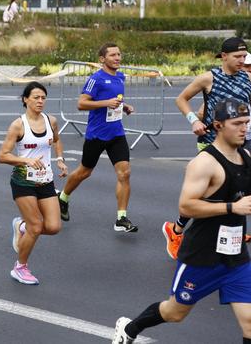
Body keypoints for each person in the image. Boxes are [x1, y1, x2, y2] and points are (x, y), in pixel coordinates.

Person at [113, 98, 251, 344]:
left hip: (235, 257)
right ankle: (130, 328)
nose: (244, 128)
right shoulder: (204, 163)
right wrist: (233, 207)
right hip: (202, 257)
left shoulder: (246, 156)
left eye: (247, 122)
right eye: (238, 123)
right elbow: (186, 205)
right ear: (218, 125)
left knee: (249, 322)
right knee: (174, 312)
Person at [165, 37, 251, 259]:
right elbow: (181, 99)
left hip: (240, 142)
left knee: (240, 185)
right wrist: (194, 120)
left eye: (244, 56)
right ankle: (176, 231)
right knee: (205, 192)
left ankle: (236, 231)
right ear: (224, 56)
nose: (242, 60)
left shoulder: (248, 79)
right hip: (212, 140)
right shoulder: (208, 78)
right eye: (237, 57)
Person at [58, 42, 138, 232]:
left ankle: (121, 218)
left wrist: (123, 106)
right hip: (97, 134)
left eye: (119, 54)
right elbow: (81, 103)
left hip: (116, 133)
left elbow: (115, 100)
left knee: (124, 173)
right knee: (84, 172)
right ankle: (63, 197)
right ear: (102, 59)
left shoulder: (120, 76)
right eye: (112, 55)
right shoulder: (96, 79)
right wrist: (105, 103)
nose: (117, 58)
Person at [0, 82, 67, 285]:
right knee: (36, 227)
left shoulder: (51, 120)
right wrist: (25, 160)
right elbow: (2, 156)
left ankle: (21, 226)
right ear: (25, 99)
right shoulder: (18, 125)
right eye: (36, 97)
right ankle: (20, 267)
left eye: (43, 98)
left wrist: (60, 159)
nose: (40, 101)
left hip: (45, 180)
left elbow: (56, 139)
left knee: (54, 227)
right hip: (23, 181)